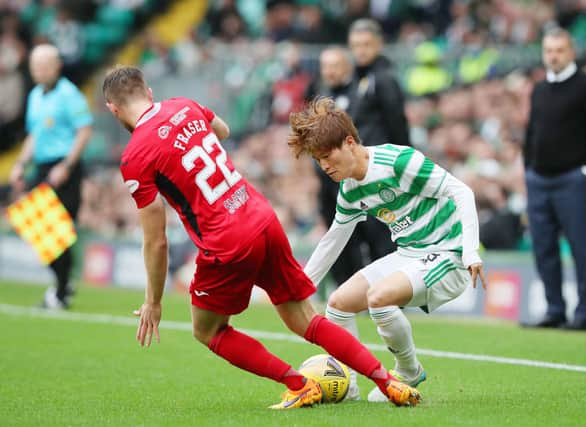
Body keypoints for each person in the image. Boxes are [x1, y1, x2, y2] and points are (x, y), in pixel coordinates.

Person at [102, 65, 422, 409]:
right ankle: (387, 381)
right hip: (261, 217)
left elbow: (156, 240)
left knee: (208, 330)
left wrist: (153, 301)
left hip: (225, 241)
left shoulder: (135, 156)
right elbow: (221, 130)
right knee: (305, 319)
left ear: (113, 109)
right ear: (149, 92)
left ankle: (298, 384)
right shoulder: (184, 105)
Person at [288, 97, 486, 402]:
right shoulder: (350, 188)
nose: (324, 166)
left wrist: (471, 251)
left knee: (379, 297)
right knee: (338, 303)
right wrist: (299, 287)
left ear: (350, 143)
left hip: (449, 252)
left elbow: (462, 191)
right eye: (318, 160)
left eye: (327, 156)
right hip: (410, 254)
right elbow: (334, 238)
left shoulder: (398, 162)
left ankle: (408, 372)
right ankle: (348, 385)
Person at [523, 28, 586, 331]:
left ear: (571, 51)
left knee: (580, 247)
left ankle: (584, 314)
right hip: (539, 180)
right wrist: (528, 169)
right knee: (543, 247)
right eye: (548, 50)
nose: (553, 56)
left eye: (559, 50)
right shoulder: (539, 89)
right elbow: (531, 132)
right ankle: (555, 309)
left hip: (572, 179)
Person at [9, 44, 92, 309]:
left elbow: (84, 129)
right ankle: (63, 284)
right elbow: (34, 135)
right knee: (38, 228)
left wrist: (66, 164)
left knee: (61, 230)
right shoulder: (35, 95)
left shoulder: (69, 94)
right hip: (43, 166)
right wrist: (21, 163)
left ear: (57, 66)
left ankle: (61, 291)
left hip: (64, 167)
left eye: (44, 65)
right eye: (35, 66)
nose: (39, 71)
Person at [346, 18, 411, 268]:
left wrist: (402, 166)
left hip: (382, 169)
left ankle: (388, 295)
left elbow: (398, 125)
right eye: (356, 45)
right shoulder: (359, 79)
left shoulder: (383, 79)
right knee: (368, 235)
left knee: (382, 235)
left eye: (366, 44)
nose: (361, 50)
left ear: (378, 44)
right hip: (364, 170)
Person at [305, 46, 365, 287]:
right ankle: (342, 287)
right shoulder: (319, 96)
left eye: (334, 66)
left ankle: (365, 288)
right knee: (333, 233)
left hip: (354, 178)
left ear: (346, 67)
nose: (329, 71)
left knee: (360, 234)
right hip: (327, 183)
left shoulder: (358, 93)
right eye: (325, 66)